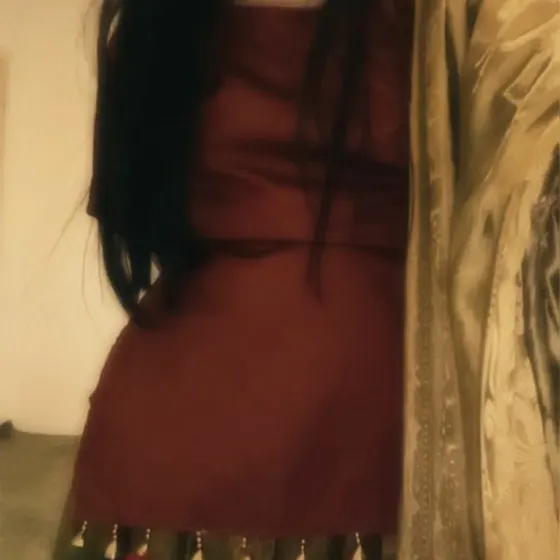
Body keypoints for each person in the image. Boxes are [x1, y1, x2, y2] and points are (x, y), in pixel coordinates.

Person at [53, 0, 559, 559]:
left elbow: (137, 208)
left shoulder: (154, 21)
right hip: (379, 431)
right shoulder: (472, 23)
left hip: (159, 444)